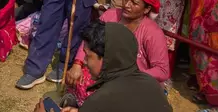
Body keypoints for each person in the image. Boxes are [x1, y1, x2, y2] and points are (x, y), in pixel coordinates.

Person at [64, 0, 169, 106]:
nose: (127, 5)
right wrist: (77, 64)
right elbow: (89, 39)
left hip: (134, 79)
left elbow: (162, 71)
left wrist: (130, 76)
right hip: (105, 72)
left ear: (146, 9)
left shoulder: (153, 32)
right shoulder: (110, 15)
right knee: (78, 78)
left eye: (134, 3)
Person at [35, 21, 172, 112]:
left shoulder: (100, 100)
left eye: (88, 56)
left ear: (106, 58)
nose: (86, 63)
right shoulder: (150, 83)